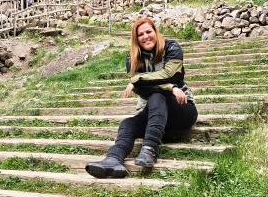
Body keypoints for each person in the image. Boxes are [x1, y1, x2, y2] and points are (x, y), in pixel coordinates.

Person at [85, 18, 198, 178]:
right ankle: (113, 159)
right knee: (128, 123)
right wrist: (169, 87)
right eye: (140, 34)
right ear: (136, 38)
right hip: (154, 117)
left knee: (158, 95)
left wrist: (139, 79)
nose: (145, 36)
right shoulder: (132, 59)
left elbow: (169, 75)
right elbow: (141, 90)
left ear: (155, 32)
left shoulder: (172, 48)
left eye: (148, 32)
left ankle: (150, 150)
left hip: (181, 111)